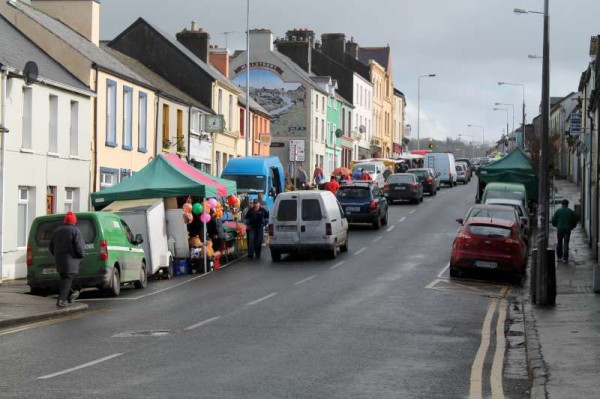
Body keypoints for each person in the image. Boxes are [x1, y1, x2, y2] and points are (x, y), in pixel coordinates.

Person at [49, 211, 85, 307]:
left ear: (65, 220)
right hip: (71, 261)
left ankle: (70, 296)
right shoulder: (75, 231)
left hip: (59, 261)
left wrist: (57, 254)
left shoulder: (57, 231)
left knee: (65, 279)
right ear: (74, 221)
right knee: (67, 280)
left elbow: (51, 247)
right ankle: (61, 300)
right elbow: (79, 247)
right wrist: (81, 255)